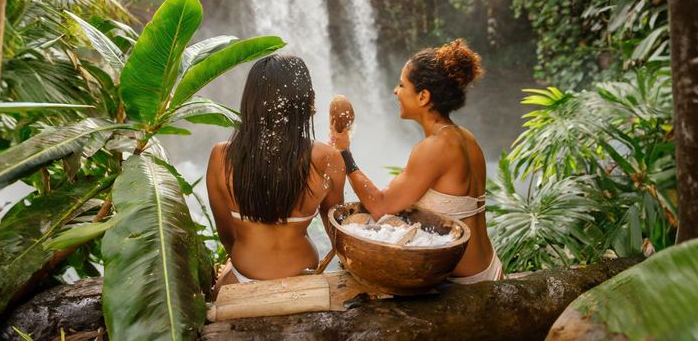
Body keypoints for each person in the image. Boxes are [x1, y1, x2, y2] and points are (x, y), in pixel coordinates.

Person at [332, 39, 504, 284]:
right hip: (488, 268)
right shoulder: (466, 138)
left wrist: (344, 153)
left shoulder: (435, 147)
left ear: (423, 96)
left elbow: (380, 205)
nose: (395, 91)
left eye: (402, 84)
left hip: (466, 285)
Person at [206, 54, 346, 286]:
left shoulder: (221, 157)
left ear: (250, 102)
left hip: (245, 276)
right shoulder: (327, 159)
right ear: (306, 102)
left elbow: (227, 234)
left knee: (222, 281)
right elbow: (338, 233)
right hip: (304, 273)